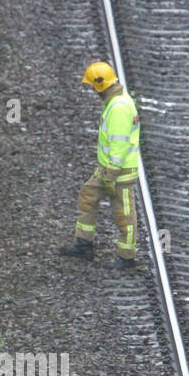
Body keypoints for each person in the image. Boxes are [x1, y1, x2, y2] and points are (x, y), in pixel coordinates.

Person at [60, 62, 140, 271]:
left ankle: (126, 257)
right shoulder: (115, 101)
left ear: (99, 86)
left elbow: (119, 143)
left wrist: (111, 172)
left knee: (124, 214)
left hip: (118, 172)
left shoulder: (119, 108)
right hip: (107, 169)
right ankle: (84, 244)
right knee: (88, 195)